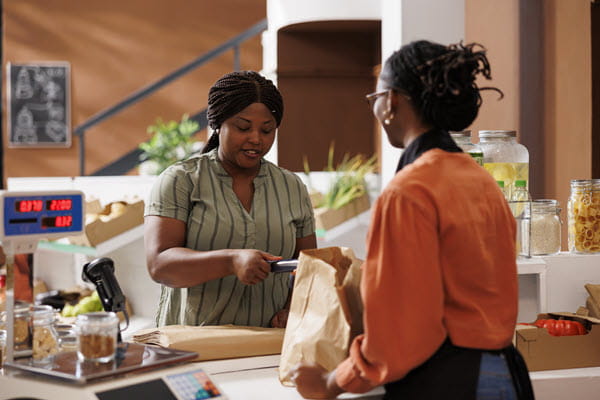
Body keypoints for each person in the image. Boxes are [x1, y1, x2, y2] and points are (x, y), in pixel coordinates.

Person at [290, 41, 532, 399]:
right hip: (504, 373)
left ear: (391, 102)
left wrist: (331, 382)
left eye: (375, 96)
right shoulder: (481, 181)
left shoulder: (409, 191)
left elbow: (401, 333)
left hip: (447, 382)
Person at [144, 71, 316, 329]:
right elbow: (160, 265)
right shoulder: (181, 180)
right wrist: (231, 261)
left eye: (267, 130)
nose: (256, 139)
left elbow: (308, 265)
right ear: (218, 124)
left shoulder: (292, 187)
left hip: (268, 344)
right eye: (243, 127)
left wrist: (292, 307)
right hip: (192, 347)